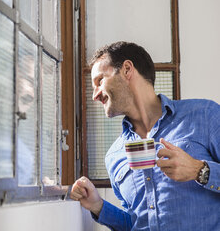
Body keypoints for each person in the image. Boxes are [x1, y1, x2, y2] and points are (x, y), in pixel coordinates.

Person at [70, 41, 220, 230]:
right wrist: (97, 206)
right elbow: (136, 223)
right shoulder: (114, 156)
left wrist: (200, 171)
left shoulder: (204, 115)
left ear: (126, 69)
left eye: (100, 81)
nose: (94, 95)